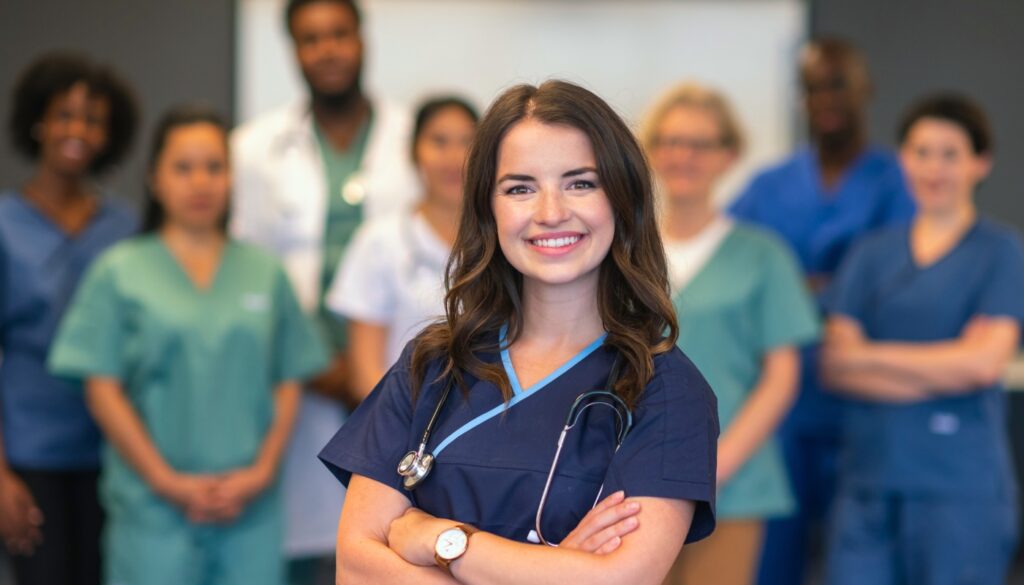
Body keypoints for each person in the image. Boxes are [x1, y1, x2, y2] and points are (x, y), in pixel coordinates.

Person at [319, 80, 719, 584]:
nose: (550, 213)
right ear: (489, 209)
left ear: (621, 198)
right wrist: (552, 566)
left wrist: (440, 540)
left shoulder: (664, 390)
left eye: (580, 183)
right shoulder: (433, 364)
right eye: (520, 188)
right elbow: (356, 567)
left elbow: (619, 580)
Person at [48, 105, 328, 585]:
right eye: (183, 167)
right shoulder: (120, 272)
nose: (201, 182)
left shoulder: (264, 272)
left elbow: (289, 377)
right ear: (155, 177)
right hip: (152, 512)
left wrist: (260, 472)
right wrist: (165, 481)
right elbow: (102, 388)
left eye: (214, 167)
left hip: (250, 510)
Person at [230, 0, 419, 578]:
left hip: (398, 368)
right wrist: (315, 364)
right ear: (294, 50)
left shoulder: (414, 137)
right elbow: (250, 268)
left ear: (362, 38)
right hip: (299, 374)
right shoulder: (254, 149)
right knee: (308, 544)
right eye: (311, 39)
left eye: (339, 33)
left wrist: (365, 374)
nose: (328, 49)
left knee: (399, 540)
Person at [727, 38, 915, 585]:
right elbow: (728, 262)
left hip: (863, 404)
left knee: (859, 563)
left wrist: (795, 289)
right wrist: (831, 287)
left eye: (837, 84)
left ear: (866, 90)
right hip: (778, 407)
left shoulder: (899, 181)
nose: (824, 100)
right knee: (770, 562)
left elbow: (895, 283)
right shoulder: (770, 185)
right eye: (812, 89)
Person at [820, 94, 1023, 584]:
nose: (934, 168)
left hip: (960, 490)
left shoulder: (1001, 253)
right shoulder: (870, 254)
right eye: (921, 152)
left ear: (981, 162)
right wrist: (947, 364)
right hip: (869, 480)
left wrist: (867, 355)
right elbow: (833, 367)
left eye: (950, 154)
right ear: (903, 159)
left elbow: (982, 366)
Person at [640, 83, 819, 585]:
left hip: (731, 484)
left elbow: (782, 377)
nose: (683, 156)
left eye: (701, 144)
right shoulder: (623, 255)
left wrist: (714, 466)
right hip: (629, 486)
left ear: (729, 155)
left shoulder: (764, 257)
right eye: (671, 141)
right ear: (652, 150)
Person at [0, 52, 138, 585]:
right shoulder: (7, 224)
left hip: (113, 452)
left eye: (93, 119)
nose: (77, 129)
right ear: (37, 121)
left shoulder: (124, 228)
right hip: (31, 454)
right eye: (65, 114)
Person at [327, 96, 478, 399]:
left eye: (467, 141)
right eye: (439, 141)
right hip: (404, 427)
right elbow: (365, 373)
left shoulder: (504, 238)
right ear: (413, 152)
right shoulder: (379, 241)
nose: (453, 157)